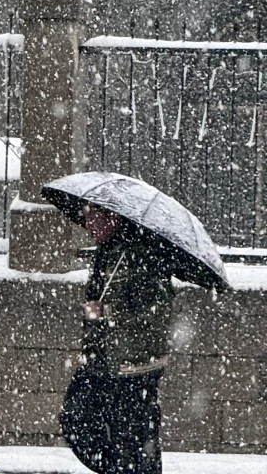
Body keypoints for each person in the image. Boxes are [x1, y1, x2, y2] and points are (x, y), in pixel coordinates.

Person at [61, 203, 176, 474]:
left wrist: (108, 312)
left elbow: (157, 309)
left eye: (92, 219)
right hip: (103, 360)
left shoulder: (141, 253)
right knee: (77, 417)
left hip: (133, 365)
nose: (88, 226)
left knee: (132, 439)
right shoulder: (109, 253)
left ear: (112, 217)